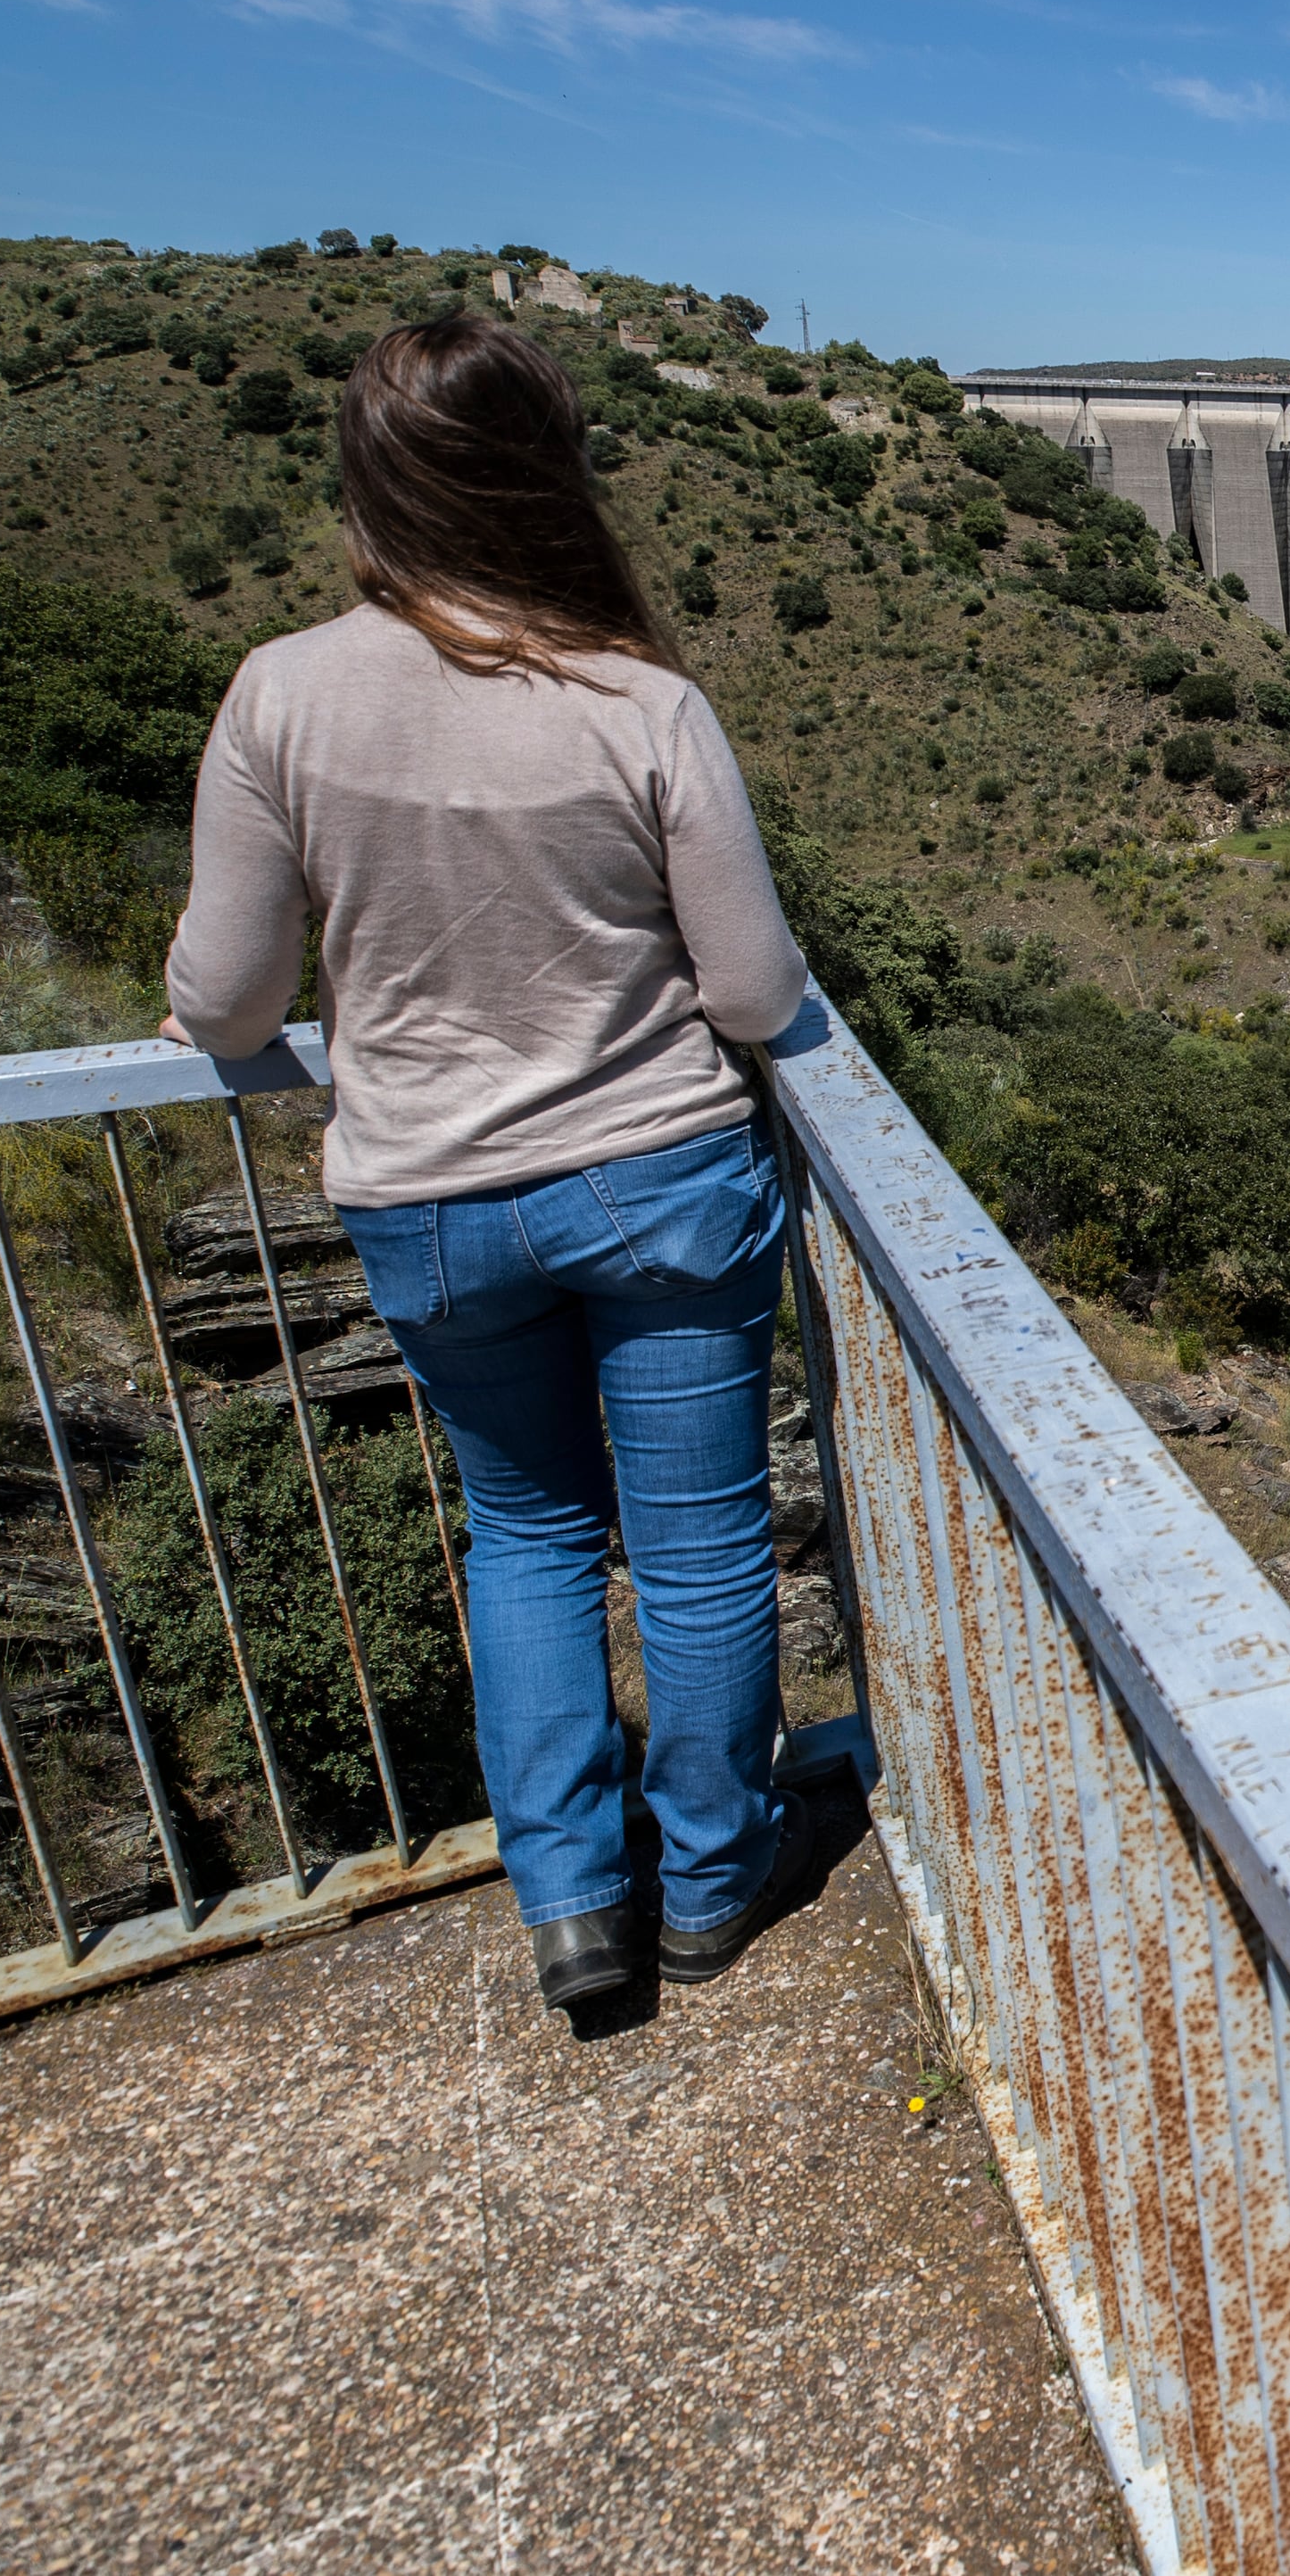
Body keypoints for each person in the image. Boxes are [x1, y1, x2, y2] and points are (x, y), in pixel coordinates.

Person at [163, 311, 854, 2012]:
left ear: (372, 487)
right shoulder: (641, 703)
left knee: (529, 1535)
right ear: (548, 482)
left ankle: (569, 1904)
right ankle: (710, 1879)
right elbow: (758, 990)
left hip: (432, 1207)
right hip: (660, 1183)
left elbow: (226, 995)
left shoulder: (283, 697)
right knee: (697, 1548)